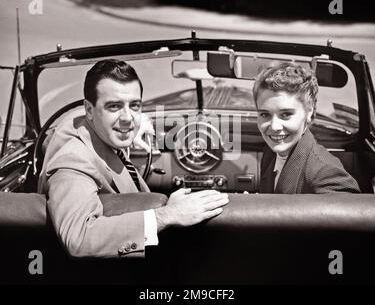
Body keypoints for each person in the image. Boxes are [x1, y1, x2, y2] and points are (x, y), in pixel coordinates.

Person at [38, 59, 229, 258]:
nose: (128, 118)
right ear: (89, 110)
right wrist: (167, 215)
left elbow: (79, 118)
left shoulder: (93, 131)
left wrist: (126, 125)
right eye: (114, 106)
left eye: (135, 106)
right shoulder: (73, 162)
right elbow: (79, 237)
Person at [253, 62, 360, 194]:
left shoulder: (325, 173)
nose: (274, 127)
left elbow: (351, 210)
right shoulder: (271, 152)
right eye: (264, 114)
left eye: (286, 114)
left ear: (308, 112)